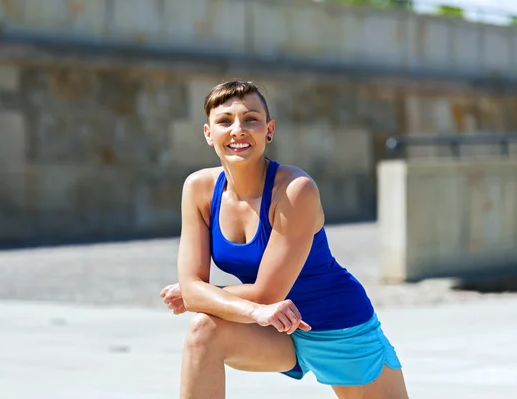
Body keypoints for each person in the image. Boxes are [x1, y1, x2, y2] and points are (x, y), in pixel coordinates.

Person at [160, 80, 409, 399]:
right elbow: (201, 292)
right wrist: (203, 295)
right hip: (274, 329)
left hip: (338, 327)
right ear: (208, 133)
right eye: (224, 121)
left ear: (269, 130)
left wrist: (205, 293)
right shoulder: (199, 189)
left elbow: (265, 293)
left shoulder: (295, 190)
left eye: (251, 119)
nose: (238, 129)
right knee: (203, 331)